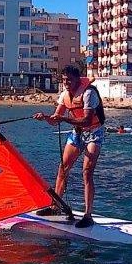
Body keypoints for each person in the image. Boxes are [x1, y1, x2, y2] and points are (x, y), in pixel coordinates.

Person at [32, 66, 106, 228]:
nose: (66, 83)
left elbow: (87, 120)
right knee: (63, 169)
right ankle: (55, 207)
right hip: (77, 133)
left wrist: (64, 119)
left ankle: (88, 215)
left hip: (94, 133)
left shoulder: (89, 93)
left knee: (87, 172)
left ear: (78, 79)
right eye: (64, 79)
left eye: (69, 80)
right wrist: (44, 117)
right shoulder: (64, 95)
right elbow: (55, 120)